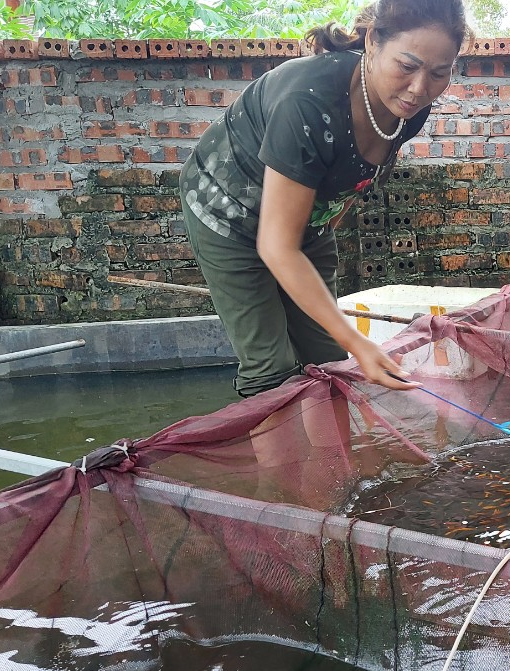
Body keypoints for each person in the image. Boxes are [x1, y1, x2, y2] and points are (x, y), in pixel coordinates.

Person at [179, 0, 468, 397]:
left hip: (301, 215)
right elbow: (276, 247)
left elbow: (355, 178)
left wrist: (315, 237)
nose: (419, 89)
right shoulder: (307, 102)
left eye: (439, 73)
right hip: (227, 211)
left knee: (328, 357)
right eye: (407, 66)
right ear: (373, 41)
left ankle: (333, 459)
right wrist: (359, 343)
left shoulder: (409, 109)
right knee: (271, 370)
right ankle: (280, 460)